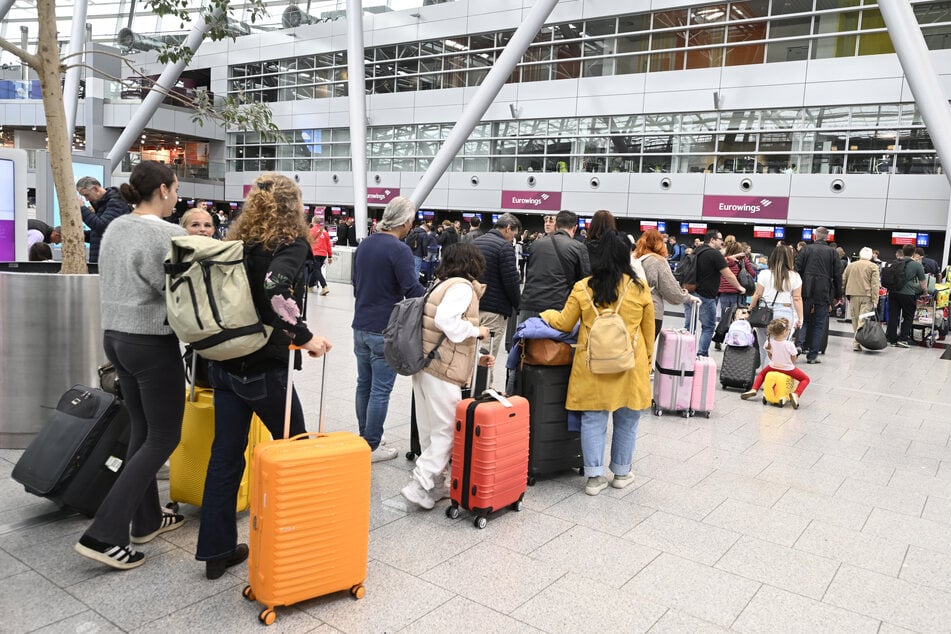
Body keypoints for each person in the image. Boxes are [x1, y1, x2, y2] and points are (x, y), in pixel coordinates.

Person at [196, 173, 332, 580]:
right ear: (294, 207)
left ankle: (215, 551)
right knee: (298, 448)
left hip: (224, 364)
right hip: (261, 368)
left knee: (225, 456)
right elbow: (276, 284)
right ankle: (299, 538)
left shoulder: (238, 242)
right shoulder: (290, 243)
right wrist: (305, 336)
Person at [74, 161, 188, 570]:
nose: (176, 197)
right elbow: (177, 291)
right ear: (161, 189)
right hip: (151, 343)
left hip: (116, 338)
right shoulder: (168, 234)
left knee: (143, 428)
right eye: (174, 189)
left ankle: (147, 520)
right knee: (164, 436)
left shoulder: (117, 225)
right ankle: (104, 532)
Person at [540, 231, 654, 496]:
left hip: (592, 366)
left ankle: (594, 478)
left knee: (593, 419)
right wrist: (647, 365)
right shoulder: (639, 289)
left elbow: (563, 323)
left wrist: (546, 314)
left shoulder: (582, 287)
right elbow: (649, 334)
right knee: (627, 419)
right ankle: (622, 473)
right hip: (629, 366)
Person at [401, 243, 493, 510]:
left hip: (426, 364)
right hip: (443, 367)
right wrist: (477, 331)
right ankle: (420, 483)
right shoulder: (462, 288)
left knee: (431, 430)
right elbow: (446, 322)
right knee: (450, 431)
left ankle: (437, 485)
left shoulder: (440, 284)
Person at [352, 197, 426, 461]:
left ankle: (365, 436)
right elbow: (412, 289)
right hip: (385, 328)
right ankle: (372, 445)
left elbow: (355, 282)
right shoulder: (399, 249)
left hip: (360, 324)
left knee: (364, 384)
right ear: (405, 221)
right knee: (380, 390)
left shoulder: (364, 245)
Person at [473, 213, 521, 384]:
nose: (512, 239)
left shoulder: (475, 242)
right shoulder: (504, 247)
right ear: (508, 228)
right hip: (494, 311)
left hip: (472, 307)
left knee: (472, 354)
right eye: (513, 235)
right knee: (486, 358)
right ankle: (483, 393)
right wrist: (518, 304)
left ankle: (467, 393)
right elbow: (511, 281)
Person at [518, 210, 589, 323]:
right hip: (558, 307)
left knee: (524, 340)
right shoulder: (578, 247)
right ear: (575, 228)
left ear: (556, 225)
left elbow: (529, 274)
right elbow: (584, 281)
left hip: (530, 304)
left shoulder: (536, 244)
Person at [683, 229, 745, 357]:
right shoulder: (714, 254)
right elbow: (729, 275)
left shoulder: (698, 250)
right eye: (720, 239)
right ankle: (702, 355)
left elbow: (712, 262)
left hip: (689, 294)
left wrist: (729, 257)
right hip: (705, 297)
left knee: (689, 327)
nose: (722, 242)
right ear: (712, 240)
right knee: (708, 327)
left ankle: (685, 355)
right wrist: (740, 288)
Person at [634, 229, 697, 336]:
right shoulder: (658, 261)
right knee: (645, 350)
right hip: (650, 312)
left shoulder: (634, 258)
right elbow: (671, 291)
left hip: (631, 309)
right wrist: (688, 297)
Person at [748, 246, 804, 369]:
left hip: (764, 313)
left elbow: (757, 294)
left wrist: (749, 310)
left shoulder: (764, 274)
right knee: (780, 347)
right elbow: (797, 298)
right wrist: (801, 317)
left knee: (765, 347)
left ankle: (765, 375)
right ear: (790, 259)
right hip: (784, 313)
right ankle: (774, 376)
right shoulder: (795, 276)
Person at [794, 226, 842, 363]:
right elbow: (838, 275)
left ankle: (799, 345)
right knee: (819, 323)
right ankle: (813, 355)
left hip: (805, 291)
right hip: (824, 292)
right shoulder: (833, 253)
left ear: (815, 236)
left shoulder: (805, 249)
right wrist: (838, 294)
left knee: (803, 320)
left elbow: (796, 270)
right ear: (827, 238)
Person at [741, 317, 810, 409]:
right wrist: (791, 364)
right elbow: (793, 357)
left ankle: (754, 389)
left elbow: (770, 356)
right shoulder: (789, 344)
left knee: (761, 374)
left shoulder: (769, 342)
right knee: (805, 379)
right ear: (785, 331)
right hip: (788, 369)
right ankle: (796, 394)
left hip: (773, 366)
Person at [76, 175, 133, 263]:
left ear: (95, 189)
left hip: (111, 261)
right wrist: (83, 235)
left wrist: (82, 209)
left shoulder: (116, 202)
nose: (87, 199)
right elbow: (101, 234)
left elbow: (102, 227)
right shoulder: (104, 203)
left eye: (86, 195)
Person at [715, 240, 757, 348]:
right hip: (738, 293)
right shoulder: (743, 260)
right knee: (736, 318)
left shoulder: (722, 261)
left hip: (723, 293)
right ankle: (734, 340)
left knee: (725, 317)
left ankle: (719, 338)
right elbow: (752, 274)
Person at [886, 243, 927, 348]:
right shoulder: (916, 265)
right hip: (908, 294)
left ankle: (891, 339)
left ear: (903, 252)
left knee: (893, 316)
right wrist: (925, 293)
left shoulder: (896, 262)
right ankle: (903, 339)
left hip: (893, 292)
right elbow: (923, 282)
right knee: (908, 316)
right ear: (913, 253)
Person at [842, 247, 881, 351]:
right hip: (867, 297)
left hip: (853, 295)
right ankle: (857, 341)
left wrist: (842, 294)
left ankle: (856, 343)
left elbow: (843, 280)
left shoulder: (851, 266)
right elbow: (875, 284)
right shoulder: (873, 266)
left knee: (855, 319)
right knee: (863, 319)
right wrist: (875, 300)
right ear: (870, 256)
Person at [308, 218, 333, 295]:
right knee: (315, 270)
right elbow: (329, 245)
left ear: (313, 222)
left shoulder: (311, 230)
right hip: (323, 254)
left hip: (315, 253)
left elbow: (308, 242)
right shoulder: (325, 231)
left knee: (316, 270)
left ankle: (324, 287)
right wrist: (330, 256)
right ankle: (310, 286)